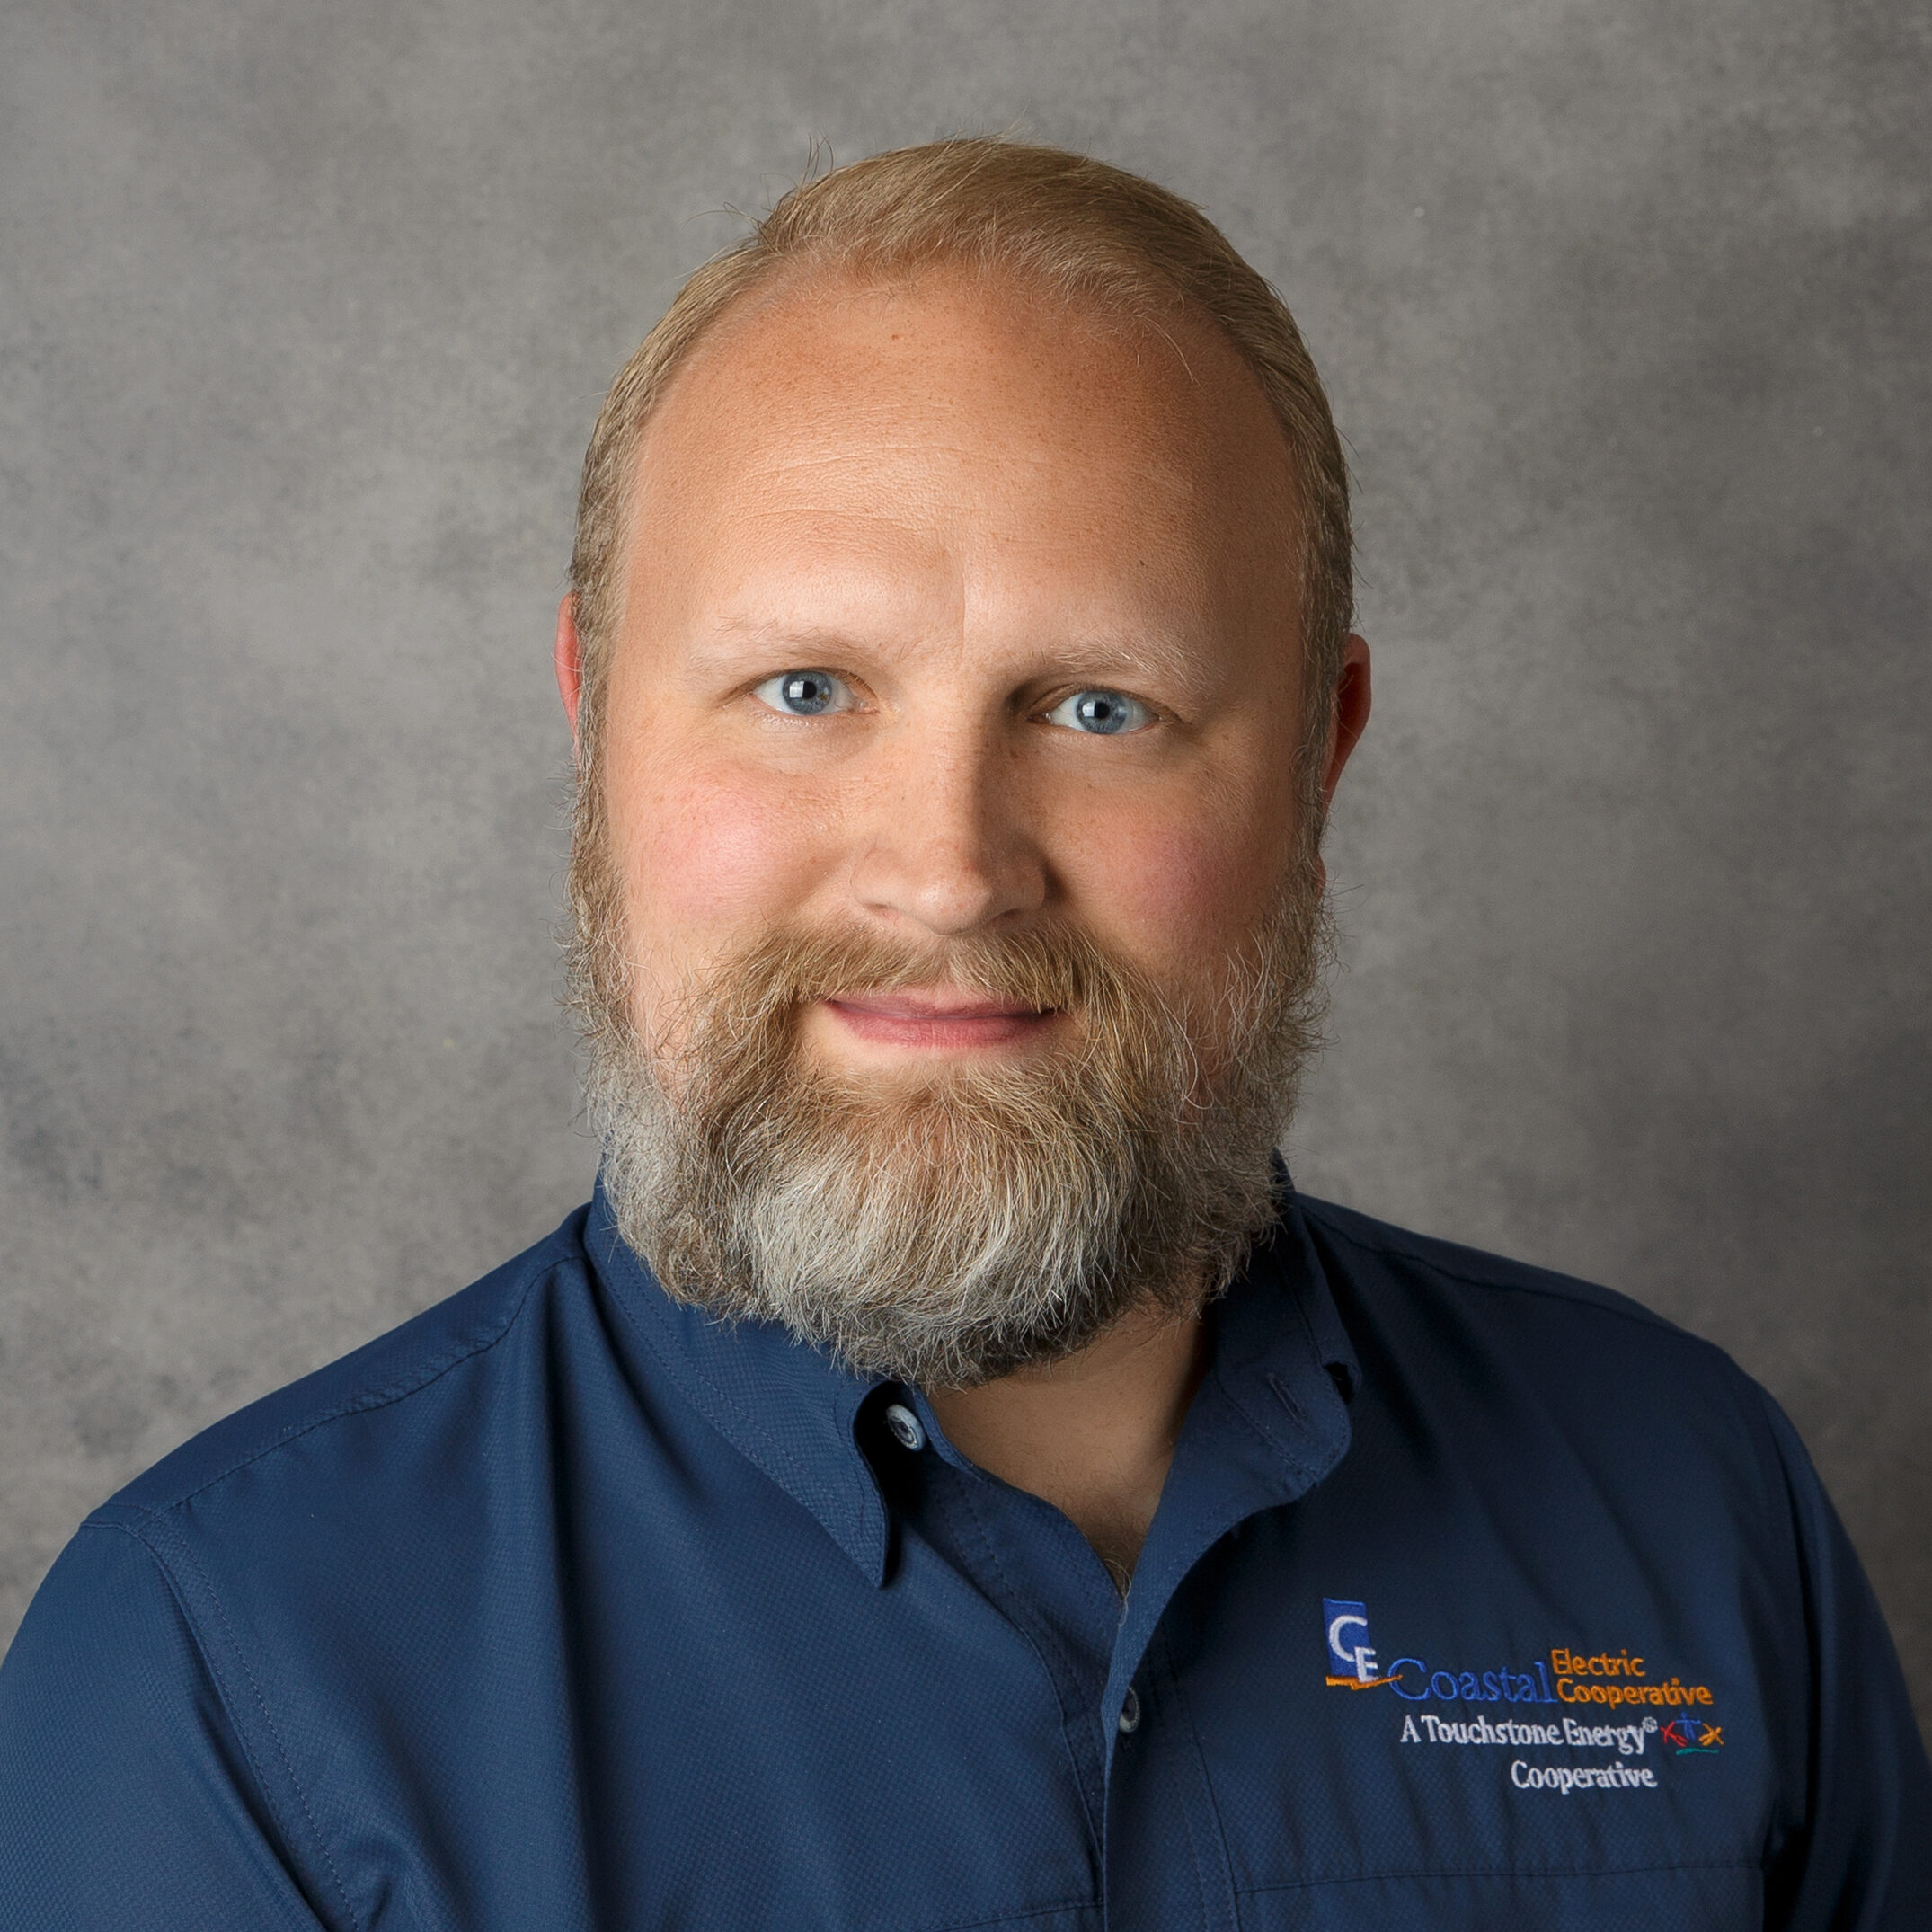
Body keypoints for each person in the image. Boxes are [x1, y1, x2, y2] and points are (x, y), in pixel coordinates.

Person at [0, 137, 1924, 1931]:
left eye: (1098, 706)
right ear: (594, 720)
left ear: (1317, 762)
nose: (943, 871)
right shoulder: (218, 1668)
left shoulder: (1688, 1504)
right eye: (805, 685)